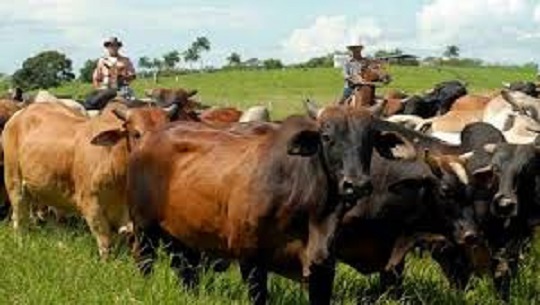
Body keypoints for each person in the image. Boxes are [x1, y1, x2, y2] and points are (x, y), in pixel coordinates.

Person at [88, 37, 136, 108]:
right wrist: (97, 88)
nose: (113, 48)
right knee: (93, 97)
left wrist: (124, 77)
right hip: (105, 87)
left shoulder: (125, 61)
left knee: (131, 101)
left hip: (121, 88)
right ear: (107, 47)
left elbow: (133, 75)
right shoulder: (102, 61)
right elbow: (96, 77)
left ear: (118, 47)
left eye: (115, 46)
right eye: (111, 46)